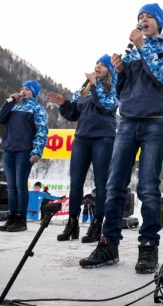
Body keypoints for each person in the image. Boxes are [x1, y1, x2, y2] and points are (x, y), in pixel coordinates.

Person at [80, 3, 163, 274]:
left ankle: (148, 246)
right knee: (114, 186)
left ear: (158, 23)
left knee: (148, 187)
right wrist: (121, 72)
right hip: (127, 122)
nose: (142, 20)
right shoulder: (134, 53)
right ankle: (108, 244)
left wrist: (141, 48)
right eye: (140, 17)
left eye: (148, 17)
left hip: (155, 122)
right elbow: (122, 93)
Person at [48, 54, 118, 243]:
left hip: (103, 139)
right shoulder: (84, 88)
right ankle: (72, 223)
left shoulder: (113, 87)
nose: (97, 67)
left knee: (101, 184)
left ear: (110, 70)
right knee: (76, 183)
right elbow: (73, 114)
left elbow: (105, 106)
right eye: (96, 64)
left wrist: (95, 85)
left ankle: (97, 224)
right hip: (81, 138)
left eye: (103, 65)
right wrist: (64, 104)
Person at [0, 80, 48, 232]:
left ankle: (21, 219)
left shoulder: (38, 109)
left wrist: (37, 151)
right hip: (9, 148)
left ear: (34, 93)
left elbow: (42, 131)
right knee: (11, 186)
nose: (23, 91)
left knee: (20, 184)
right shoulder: (14, 106)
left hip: (24, 150)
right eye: (22, 88)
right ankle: (11, 216)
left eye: (27, 89)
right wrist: (8, 103)